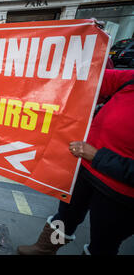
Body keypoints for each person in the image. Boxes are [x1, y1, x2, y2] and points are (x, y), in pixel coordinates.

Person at [17, 69, 134, 255]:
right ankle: (43, 249)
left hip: (119, 194)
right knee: (65, 216)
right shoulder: (130, 78)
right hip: (85, 169)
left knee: (104, 241)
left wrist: (98, 157)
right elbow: (91, 75)